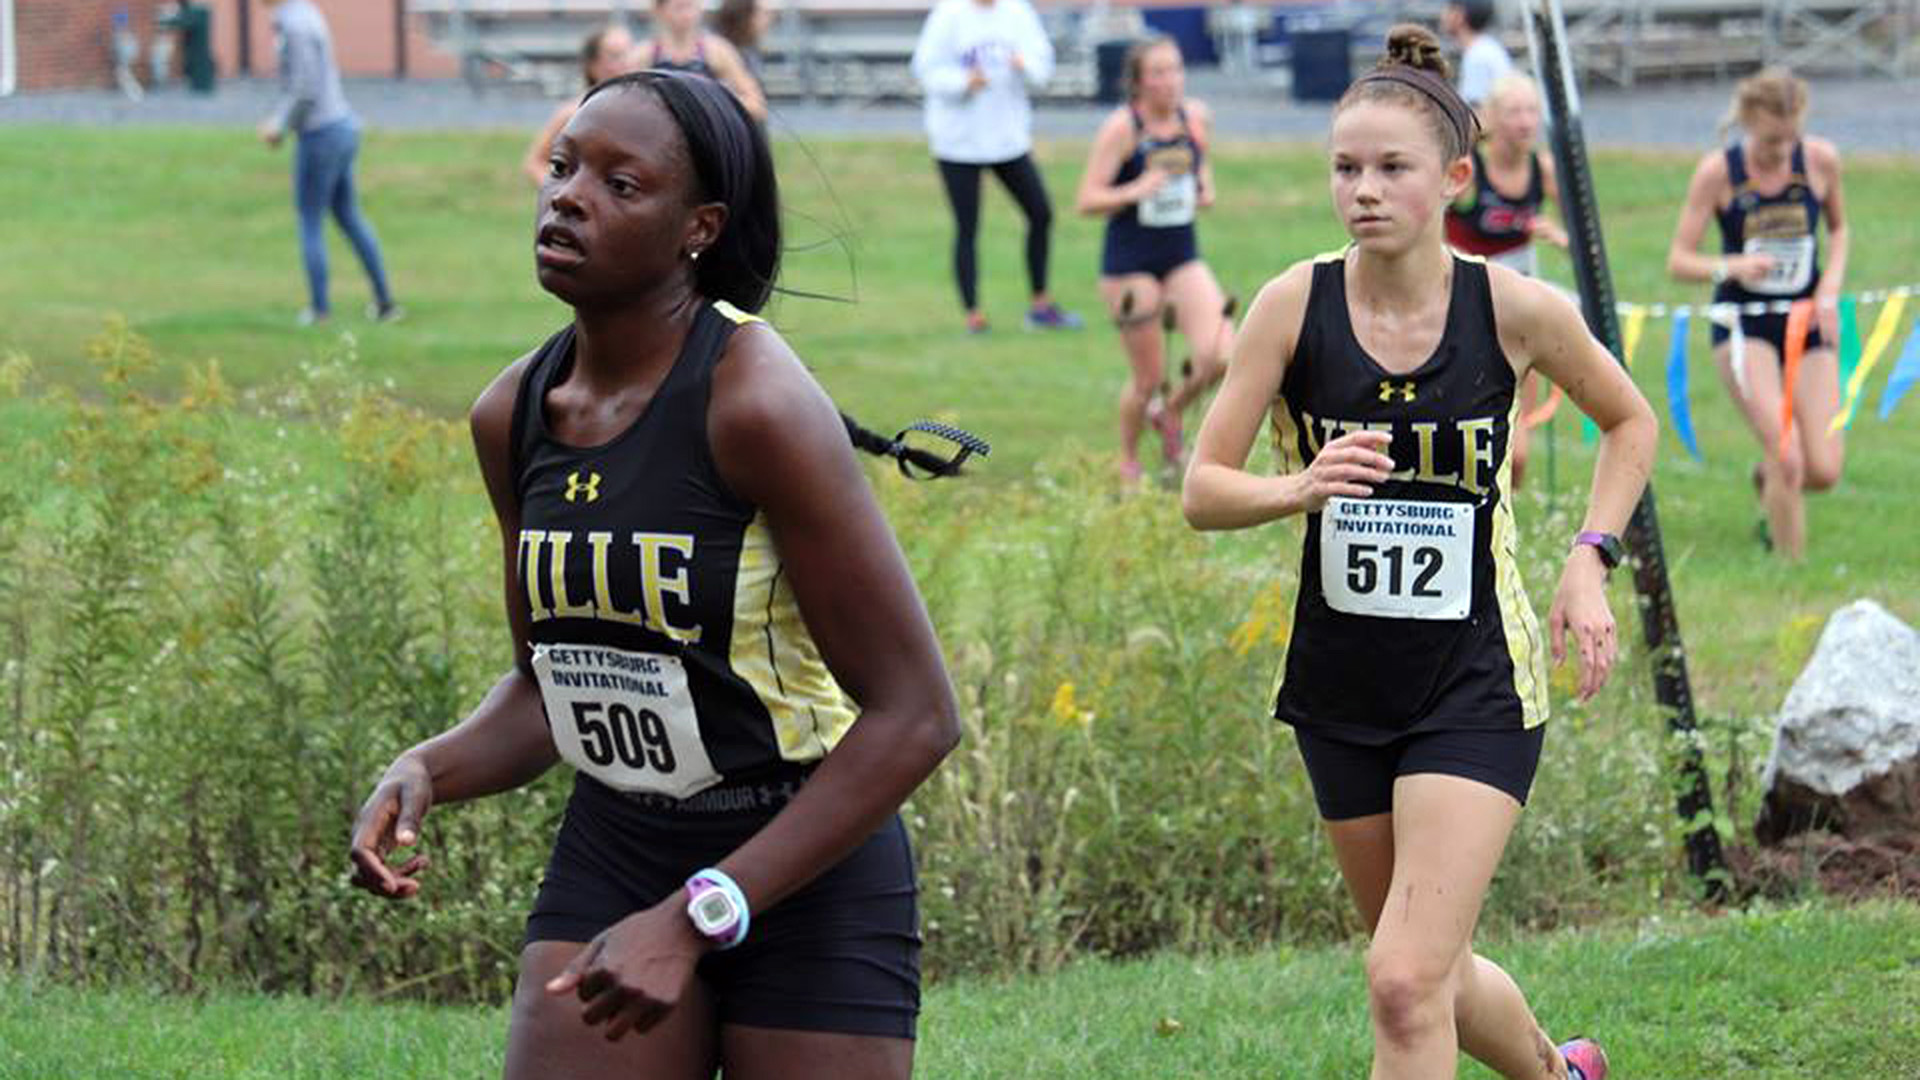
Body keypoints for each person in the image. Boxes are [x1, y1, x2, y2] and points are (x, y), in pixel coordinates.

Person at [347, 71, 960, 1080]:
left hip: (805, 853)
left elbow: (917, 716)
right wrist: (428, 767)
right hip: (620, 839)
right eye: (562, 166)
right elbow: (548, 687)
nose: (568, 196)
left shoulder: (756, 404)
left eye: (620, 183)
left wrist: (698, 914)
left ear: (698, 229)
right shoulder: (512, 413)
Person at [1183, 26, 1656, 1080]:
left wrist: (1590, 556)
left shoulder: (1515, 309)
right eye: (1346, 168)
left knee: (1401, 980)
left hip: (1475, 680)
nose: (1363, 189)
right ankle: (1557, 1073)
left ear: (1451, 178)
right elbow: (1201, 491)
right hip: (1341, 683)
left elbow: (1630, 422)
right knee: (1425, 971)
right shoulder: (1290, 305)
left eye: (1391, 168)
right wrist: (1295, 487)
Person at [1666, 67, 1847, 560]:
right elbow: (1679, 259)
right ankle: (1792, 576)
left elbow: (1841, 231)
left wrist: (1829, 289)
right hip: (1743, 326)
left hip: (1807, 320)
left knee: (1824, 469)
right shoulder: (1718, 173)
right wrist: (1734, 265)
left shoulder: (1820, 160)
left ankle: (1766, 480)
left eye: (1789, 138)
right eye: (1770, 140)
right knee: (1787, 452)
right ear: (1747, 121)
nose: (1780, 150)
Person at [1074, 35, 1233, 482]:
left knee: (1223, 352)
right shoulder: (1123, 128)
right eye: (1159, 72)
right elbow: (1086, 199)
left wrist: (1204, 188)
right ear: (1139, 82)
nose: (1171, 81)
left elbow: (1200, 168)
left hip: (1180, 253)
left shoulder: (1195, 117)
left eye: (1176, 69)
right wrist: (1134, 191)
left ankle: (1170, 412)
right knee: (1148, 377)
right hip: (1129, 261)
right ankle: (1128, 461)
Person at [911, 0, 1081, 334]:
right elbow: (925, 69)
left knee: (1040, 213)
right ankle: (973, 315)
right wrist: (962, 81)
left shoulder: (1018, 12)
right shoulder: (948, 14)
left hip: (1007, 138)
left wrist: (1024, 65)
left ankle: (1040, 305)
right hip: (958, 142)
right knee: (968, 227)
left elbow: (1042, 65)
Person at [1444, 72, 1569, 487]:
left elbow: (1583, 240)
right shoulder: (1469, 170)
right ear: (1492, 119)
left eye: (1532, 111)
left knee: (1516, 454)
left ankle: (1502, 514)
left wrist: (1559, 235)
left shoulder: (1542, 169)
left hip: (1518, 306)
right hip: (1465, 300)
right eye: (1514, 111)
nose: (1525, 121)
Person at [256, 0, 398, 326]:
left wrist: (279, 126)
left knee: (310, 220)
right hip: (341, 124)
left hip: (321, 134)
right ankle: (385, 302)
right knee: (348, 216)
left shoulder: (293, 24)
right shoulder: (305, 12)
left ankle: (319, 310)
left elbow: (305, 89)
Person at [522, 25, 644, 186]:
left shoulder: (644, 113)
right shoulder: (573, 112)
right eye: (615, 56)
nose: (626, 62)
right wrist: (561, 191)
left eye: (629, 53)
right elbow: (534, 163)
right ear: (593, 65)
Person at [644, 0, 768, 122]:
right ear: (659, 11)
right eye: (680, 7)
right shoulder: (644, 55)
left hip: (706, 137)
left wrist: (713, 103)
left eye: (691, 6)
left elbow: (756, 105)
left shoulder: (718, 50)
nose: (687, 14)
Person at [1442, 0, 1511, 109]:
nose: (1444, 15)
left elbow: (1475, 110)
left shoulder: (1478, 56)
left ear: (1460, 15)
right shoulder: (1485, 47)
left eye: (1450, 9)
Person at [713, 0, 775, 96]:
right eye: (763, 14)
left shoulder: (750, 50)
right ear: (746, 17)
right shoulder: (717, 54)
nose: (769, 20)